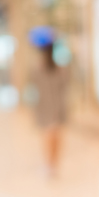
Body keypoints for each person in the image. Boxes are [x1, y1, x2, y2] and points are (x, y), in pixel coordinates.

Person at [32, 41, 69, 176]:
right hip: (54, 107)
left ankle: (51, 163)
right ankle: (53, 164)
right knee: (55, 137)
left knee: (49, 137)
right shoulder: (58, 70)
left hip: (49, 107)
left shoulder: (39, 70)